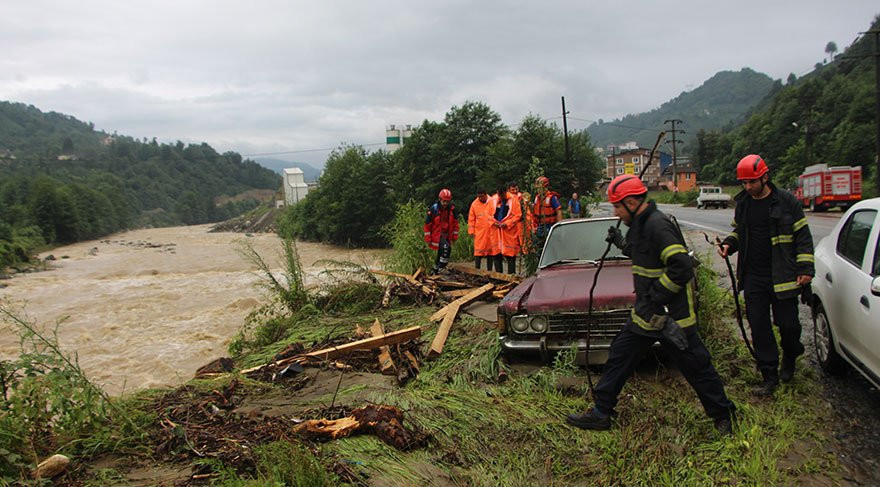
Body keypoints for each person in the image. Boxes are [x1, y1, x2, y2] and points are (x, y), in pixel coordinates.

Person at [567, 174, 736, 434]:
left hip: (674, 318)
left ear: (633, 203)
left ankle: (724, 416)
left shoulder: (659, 225)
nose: (615, 211)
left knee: (696, 367)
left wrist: (654, 298)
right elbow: (645, 256)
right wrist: (622, 244)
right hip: (646, 315)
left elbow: (681, 268)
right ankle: (601, 412)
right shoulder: (640, 226)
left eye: (617, 206)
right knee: (620, 357)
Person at [719, 154, 814, 396]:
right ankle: (769, 375)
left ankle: (791, 354)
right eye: (744, 183)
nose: (748, 187)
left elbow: (803, 237)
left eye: (752, 182)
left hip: (783, 275)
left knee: (789, 326)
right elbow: (739, 231)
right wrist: (730, 244)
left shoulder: (786, 202)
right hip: (753, 277)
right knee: (759, 327)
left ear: (765, 177)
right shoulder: (744, 204)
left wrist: (805, 269)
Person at [424, 188, 459, 274]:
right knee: (446, 248)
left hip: (447, 234)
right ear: (440, 199)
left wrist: (455, 236)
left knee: (440, 252)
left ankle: (436, 270)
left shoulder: (452, 209)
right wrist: (428, 238)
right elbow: (427, 225)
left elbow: (455, 223)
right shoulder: (434, 209)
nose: (445, 204)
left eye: (447, 201)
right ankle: (442, 268)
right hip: (437, 234)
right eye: (444, 201)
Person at [493, 184, 522, 274]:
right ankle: (499, 277)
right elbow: (488, 214)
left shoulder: (514, 200)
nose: (501, 197)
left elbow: (518, 215)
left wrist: (507, 224)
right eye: (499, 195)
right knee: (497, 254)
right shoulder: (494, 199)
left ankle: (511, 277)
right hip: (496, 231)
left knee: (510, 255)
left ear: (506, 192)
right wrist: (494, 222)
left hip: (509, 232)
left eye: (502, 195)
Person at [467, 188, 497, 270]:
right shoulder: (474, 204)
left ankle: (489, 271)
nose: (480, 198)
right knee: (478, 252)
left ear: (485, 194)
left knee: (490, 252)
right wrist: (471, 231)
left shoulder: (492, 201)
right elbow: (471, 219)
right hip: (479, 232)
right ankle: (477, 270)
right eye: (479, 197)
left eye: (482, 196)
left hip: (490, 231)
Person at [532, 176, 562, 253]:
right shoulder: (537, 197)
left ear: (545, 187)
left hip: (549, 225)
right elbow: (534, 211)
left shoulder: (552, 197)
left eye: (540, 188)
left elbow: (558, 210)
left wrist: (558, 225)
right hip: (540, 225)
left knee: (550, 246)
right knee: (539, 246)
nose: (538, 190)